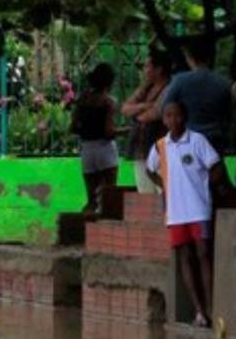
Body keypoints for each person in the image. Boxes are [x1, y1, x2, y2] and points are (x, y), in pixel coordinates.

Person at [146, 100, 230, 328]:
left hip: (199, 209)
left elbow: (217, 167)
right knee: (185, 257)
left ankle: (211, 308)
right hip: (176, 212)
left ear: (185, 117)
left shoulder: (197, 140)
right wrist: (164, 185)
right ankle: (199, 311)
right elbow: (150, 169)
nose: (174, 120)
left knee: (203, 254)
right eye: (169, 115)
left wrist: (204, 186)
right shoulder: (160, 146)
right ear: (164, 120)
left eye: (178, 115)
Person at [161, 38, 233, 155]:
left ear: (190, 58)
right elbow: (229, 114)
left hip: (188, 138)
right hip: (215, 139)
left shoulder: (180, 81)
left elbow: (165, 107)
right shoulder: (224, 83)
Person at [121, 48, 171, 194]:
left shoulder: (169, 88)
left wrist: (137, 112)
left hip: (159, 146)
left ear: (159, 69)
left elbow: (153, 114)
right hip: (141, 148)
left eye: (147, 66)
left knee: (164, 189)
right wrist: (144, 106)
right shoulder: (146, 88)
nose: (144, 70)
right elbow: (125, 108)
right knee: (145, 192)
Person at [71, 62, 119, 216]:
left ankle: (86, 227)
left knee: (91, 200)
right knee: (109, 197)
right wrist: (128, 130)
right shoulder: (108, 102)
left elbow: (73, 127)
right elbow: (109, 132)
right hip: (106, 150)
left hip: (87, 150)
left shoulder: (82, 100)